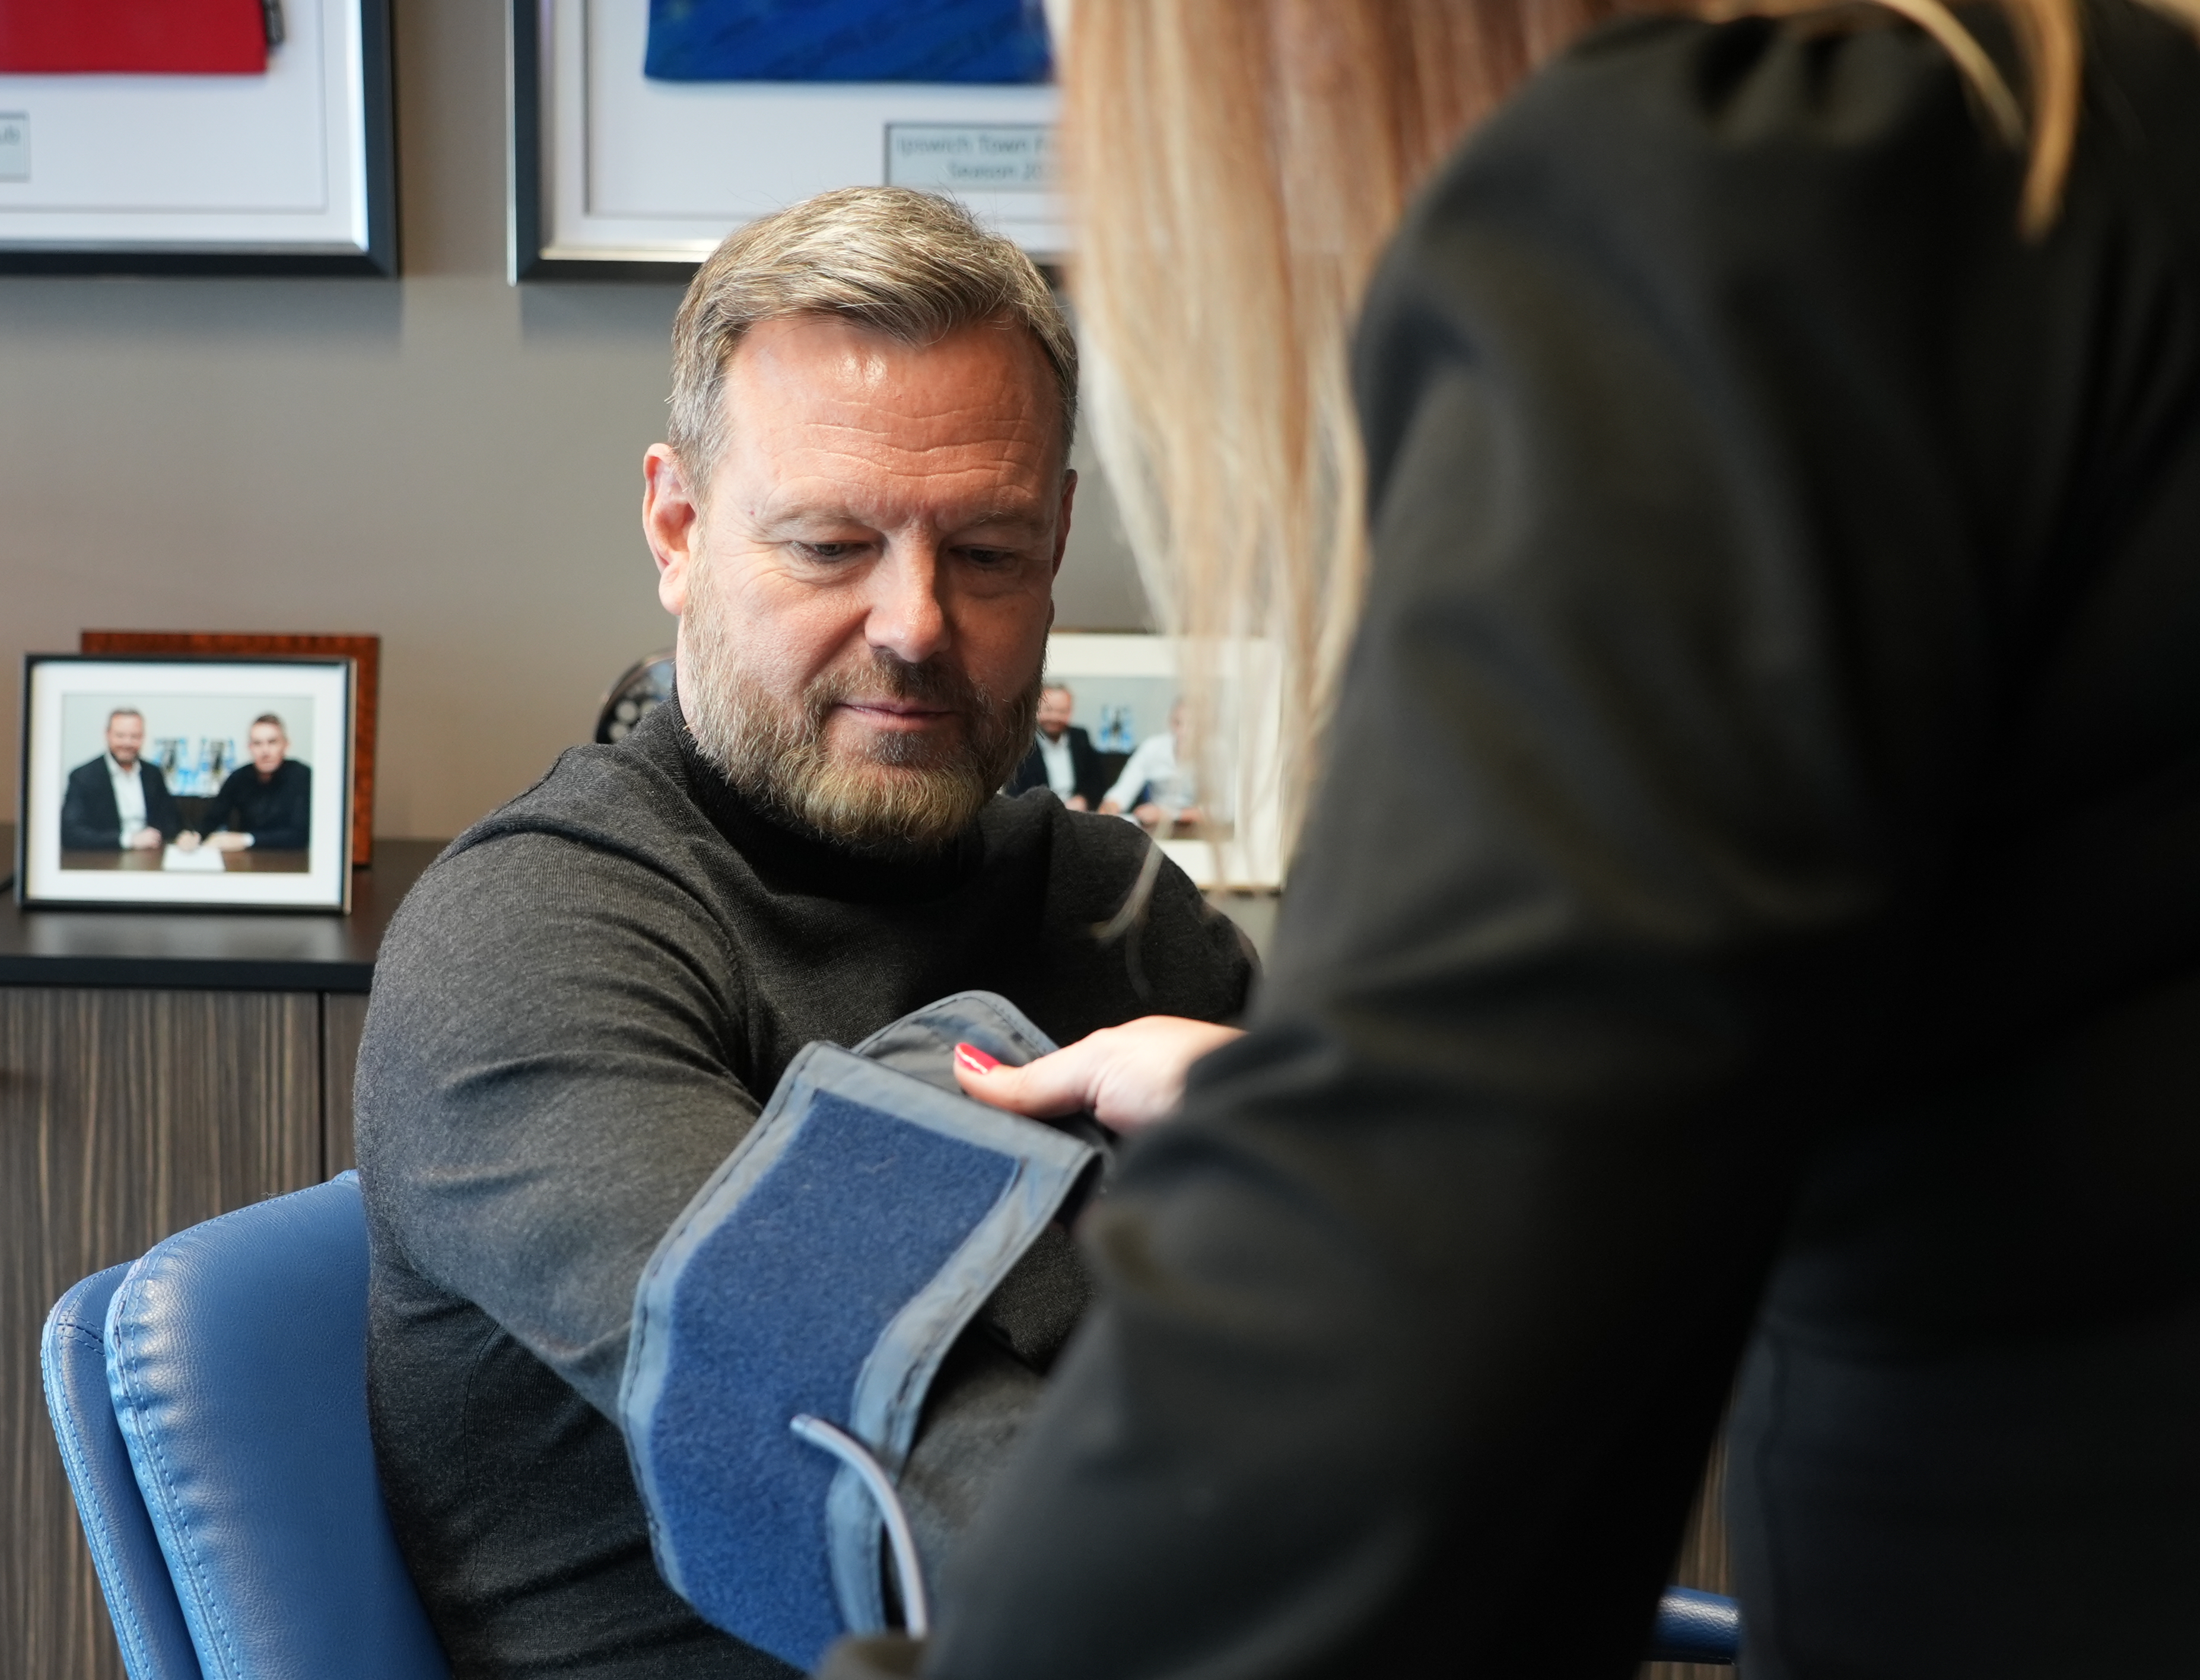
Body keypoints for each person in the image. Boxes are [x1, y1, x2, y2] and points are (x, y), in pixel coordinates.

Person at [814, 3, 2200, 1679]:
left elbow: (1399, 1349)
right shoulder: (2108, 139)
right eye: (826, 541)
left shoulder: (1749, 198)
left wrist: (1386, 1118)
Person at [356, 187, 1254, 1680]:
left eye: (983, 551)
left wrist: (1316, 1135)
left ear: (1057, 542)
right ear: (677, 526)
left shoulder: (1121, 913)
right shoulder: (533, 935)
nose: (913, 623)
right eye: (831, 544)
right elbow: (894, 1430)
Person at [177, 712, 312, 852]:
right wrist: (195, 836)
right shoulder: (239, 777)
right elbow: (213, 818)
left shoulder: (303, 776)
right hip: (249, 860)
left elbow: (300, 835)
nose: (265, 751)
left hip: (292, 860)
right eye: (258, 744)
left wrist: (246, 840)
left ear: (286, 745)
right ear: (250, 748)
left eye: (272, 742)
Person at [59, 706, 179, 852]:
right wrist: (128, 840)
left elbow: (172, 821)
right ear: (107, 735)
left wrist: (183, 836)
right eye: (120, 736)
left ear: (143, 738)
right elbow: (70, 834)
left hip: (150, 855)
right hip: (106, 858)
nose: (127, 743)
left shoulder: (153, 773)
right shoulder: (83, 777)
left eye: (135, 736)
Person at [1096, 699, 1201, 831]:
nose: (1183, 732)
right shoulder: (1152, 748)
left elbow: (1223, 811)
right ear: (1170, 723)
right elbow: (1122, 791)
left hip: (1202, 832)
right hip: (1157, 832)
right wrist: (1109, 808)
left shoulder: (1215, 754)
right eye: (1178, 723)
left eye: (1192, 725)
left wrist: (1168, 815)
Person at [1005, 683, 1111, 809]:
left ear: (1070, 711)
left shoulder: (1080, 738)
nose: (1055, 717)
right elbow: (1015, 792)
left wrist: (1084, 800)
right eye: (1049, 710)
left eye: (1062, 711)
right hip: (1037, 814)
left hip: (1077, 815)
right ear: (1037, 709)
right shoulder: (1022, 743)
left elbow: (1097, 781)